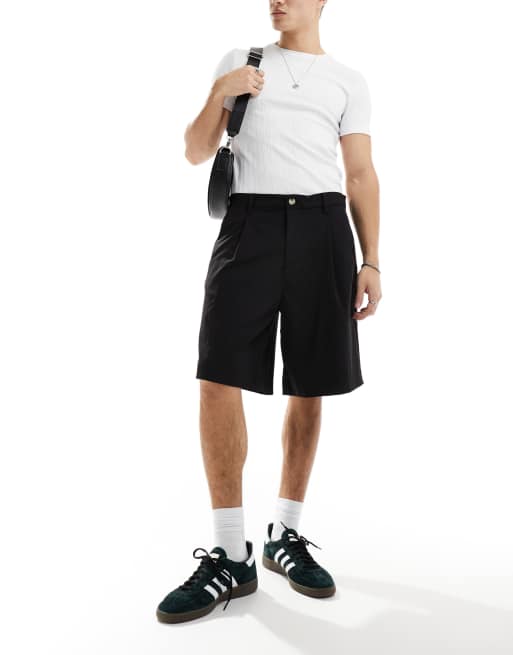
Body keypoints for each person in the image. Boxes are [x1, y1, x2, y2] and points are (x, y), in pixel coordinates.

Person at [156, 0, 381, 624]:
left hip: (323, 229)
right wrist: (221, 93)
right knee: (217, 376)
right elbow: (195, 150)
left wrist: (372, 259)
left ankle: (285, 533)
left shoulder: (347, 81)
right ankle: (232, 555)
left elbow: (360, 173)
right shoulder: (241, 61)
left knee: (311, 381)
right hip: (248, 225)